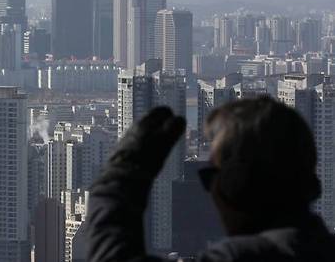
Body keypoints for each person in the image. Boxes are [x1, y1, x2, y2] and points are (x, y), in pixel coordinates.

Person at [88, 96, 335, 261]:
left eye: (211, 177)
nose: (211, 192)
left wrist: (119, 176)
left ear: (237, 184)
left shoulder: (244, 256)